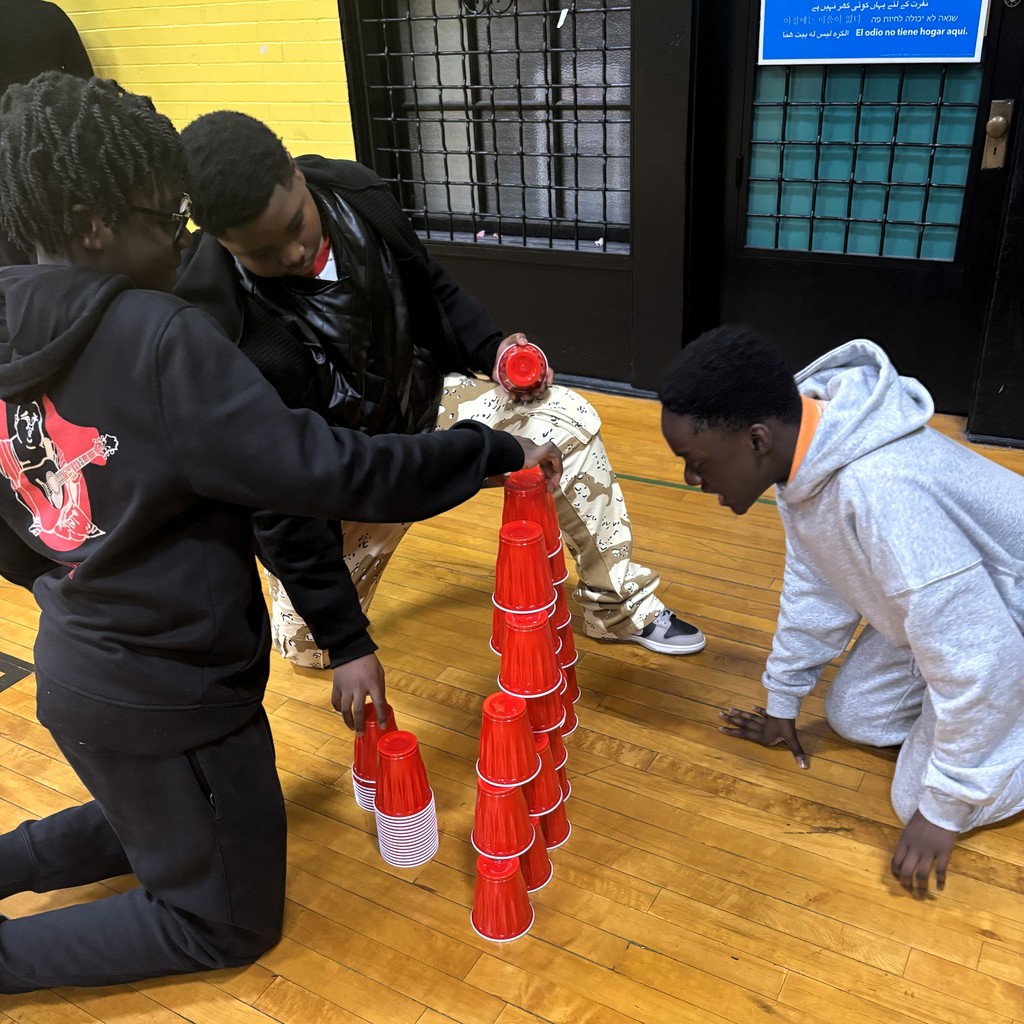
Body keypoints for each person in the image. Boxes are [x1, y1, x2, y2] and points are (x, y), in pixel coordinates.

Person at [0, 72, 560, 992]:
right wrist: (484, 450)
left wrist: (82, 575)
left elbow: (13, 539)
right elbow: (324, 472)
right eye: (164, 221)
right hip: (177, 694)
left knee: (175, 821)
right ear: (88, 220)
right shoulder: (156, 335)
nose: (178, 247)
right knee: (224, 924)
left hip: (82, 672)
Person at [174, 111, 706, 707]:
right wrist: (349, 642)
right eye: (264, 253)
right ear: (222, 243)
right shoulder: (214, 325)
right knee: (310, 649)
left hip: (424, 414)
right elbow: (275, 500)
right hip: (333, 489)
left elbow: (431, 290)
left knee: (568, 418)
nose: (295, 252)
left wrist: (494, 349)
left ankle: (615, 605)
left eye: (296, 223)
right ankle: (323, 617)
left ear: (295, 172)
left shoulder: (358, 196)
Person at [658, 324, 1024, 898]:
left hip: (1005, 625)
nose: (692, 479)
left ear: (755, 440)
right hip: (962, 607)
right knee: (856, 716)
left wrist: (946, 809)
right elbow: (816, 589)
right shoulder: (803, 461)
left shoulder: (881, 493)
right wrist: (783, 701)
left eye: (697, 462)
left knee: (917, 800)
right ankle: (968, 711)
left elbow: (985, 656)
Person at [0, 0, 93, 265]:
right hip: (54, 141)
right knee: (61, 234)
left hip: (4, 148)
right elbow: (85, 82)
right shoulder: (50, 14)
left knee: (9, 247)